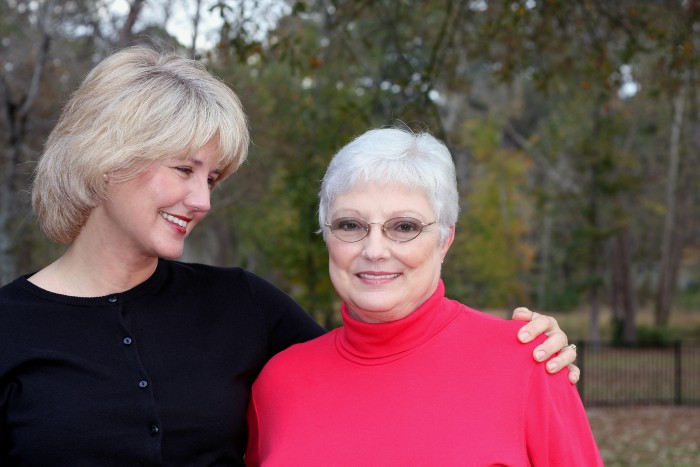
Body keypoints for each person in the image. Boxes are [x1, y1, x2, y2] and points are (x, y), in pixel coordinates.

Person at [0, 46, 577, 466]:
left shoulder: (241, 306)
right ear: (106, 159)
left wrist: (522, 360)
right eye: (183, 169)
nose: (202, 200)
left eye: (213, 177)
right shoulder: (10, 328)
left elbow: (381, 354)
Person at [245, 128, 603, 466]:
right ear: (327, 235)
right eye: (350, 225)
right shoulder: (278, 383)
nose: (375, 250)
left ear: (445, 240)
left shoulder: (531, 363)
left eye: (404, 227)